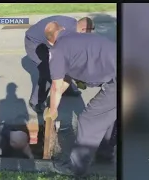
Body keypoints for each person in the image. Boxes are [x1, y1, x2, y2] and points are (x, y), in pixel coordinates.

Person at [43, 22, 116, 177]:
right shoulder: (79, 37)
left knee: (89, 119)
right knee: (109, 114)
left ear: (50, 41)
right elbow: (65, 80)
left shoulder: (57, 50)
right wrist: (56, 99)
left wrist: (53, 110)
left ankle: (76, 168)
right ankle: (104, 154)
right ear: (62, 29)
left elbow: (56, 86)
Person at [24, 15, 95, 113]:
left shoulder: (74, 26)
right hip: (34, 43)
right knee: (49, 72)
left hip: (47, 41)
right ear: (83, 29)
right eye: (87, 34)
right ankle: (36, 102)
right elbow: (61, 55)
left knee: (64, 65)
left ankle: (65, 90)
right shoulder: (67, 33)